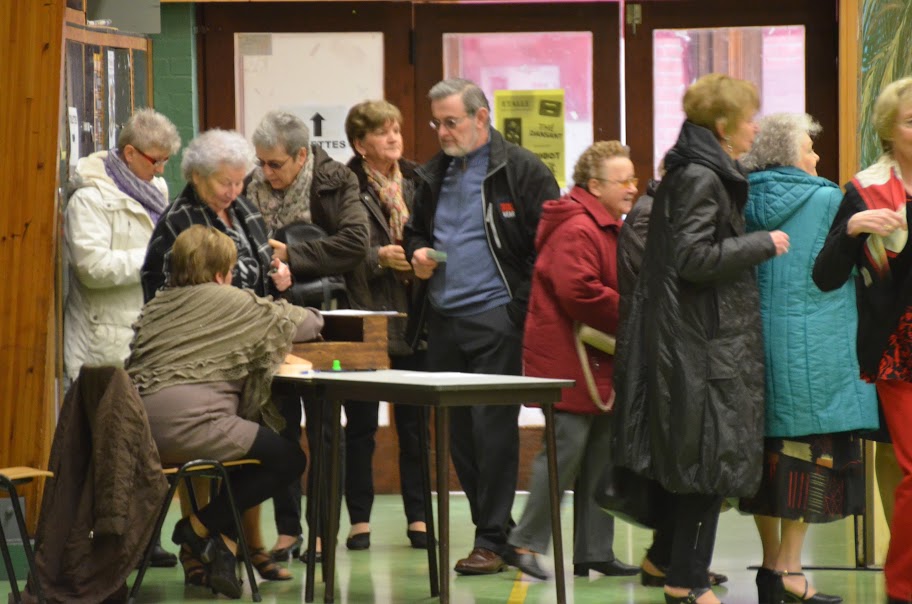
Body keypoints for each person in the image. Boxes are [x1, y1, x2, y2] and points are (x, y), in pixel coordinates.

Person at [613, 73, 788, 604]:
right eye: (748, 118)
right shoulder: (700, 177)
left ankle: (676, 571)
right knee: (703, 467)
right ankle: (685, 583)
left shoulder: (698, 171)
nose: (755, 127)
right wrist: (762, 243)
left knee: (700, 464)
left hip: (698, 340)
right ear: (723, 125)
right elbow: (693, 259)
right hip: (698, 344)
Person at [404, 77, 560, 575]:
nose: (443, 132)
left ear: (481, 117)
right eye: (437, 123)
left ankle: (490, 540)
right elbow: (414, 231)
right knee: (461, 438)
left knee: (492, 431)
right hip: (444, 317)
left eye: (452, 122)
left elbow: (548, 247)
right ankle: (496, 531)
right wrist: (416, 253)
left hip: (496, 317)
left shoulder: (522, 170)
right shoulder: (432, 174)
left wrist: (514, 310)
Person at [128, 225, 322, 599]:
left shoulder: (156, 307)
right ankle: (199, 526)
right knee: (287, 459)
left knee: (245, 449)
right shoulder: (233, 301)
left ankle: (221, 551)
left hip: (142, 433)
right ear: (221, 274)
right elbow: (306, 323)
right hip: (198, 429)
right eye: (231, 270)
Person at [140, 128, 296, 584]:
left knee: (256, 445)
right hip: (201, 360)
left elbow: (262, 263)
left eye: (239, 181)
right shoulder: (180, 220)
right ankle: (200, 554)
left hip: (250, 353)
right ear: (196, 177)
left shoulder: (242, 208)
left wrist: (280, 275)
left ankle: (246, 544)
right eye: (222, 184)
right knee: (207, 458)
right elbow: (165, 295)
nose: (232, 191)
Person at [740, 112, 879, 604]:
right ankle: (790, 569)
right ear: (787, 155)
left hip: (755, 349)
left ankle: (768, 564)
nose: (816, 157)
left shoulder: (741, 195)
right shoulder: (824, 198)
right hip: (815, 348)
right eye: (808, 148)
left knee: (766, 457)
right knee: (810, 456)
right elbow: (838, 268)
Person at [503, 141, 639, 580]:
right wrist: (634, 312)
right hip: (570, 361)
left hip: (591, 360)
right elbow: (578, 291)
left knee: (600, 454)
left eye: (634, 179)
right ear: (595, 185)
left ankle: (594, 549)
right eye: (625, 181)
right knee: (562, 455)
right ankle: (524, 542)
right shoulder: (578, 228)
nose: (634, 188)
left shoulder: (599, 224)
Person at [245, 110, 369, 561]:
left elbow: (356, 243)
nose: (266, 172)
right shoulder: (248, 186)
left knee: (323, 432)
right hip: (267, 322)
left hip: (323, 323)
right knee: (278, 430)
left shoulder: (335, 180)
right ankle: (287, 530)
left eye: (275, 164)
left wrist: (291, 255)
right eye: (261, 163)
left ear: (301, 156)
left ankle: (321, 532)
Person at [64, 107, 181, 569]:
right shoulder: (88, 199)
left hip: (147, 334)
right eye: (155, 160)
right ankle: (108, 546)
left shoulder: (157, 189)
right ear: (129, 152)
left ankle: (147, 538)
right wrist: (154, 258)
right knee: (108, 448)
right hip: (104, 339)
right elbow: (92, 269)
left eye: (166, 161)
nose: (161, 170)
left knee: (146, 446)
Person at [813, 77, 912, 604]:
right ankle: (903, 590)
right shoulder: (866, 189)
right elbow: (825, 277)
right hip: (902, 349)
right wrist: (852, 228)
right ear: (888, 131)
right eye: (911, 120)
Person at [341, 99, 428, 550]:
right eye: (381, 132)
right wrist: (378, 259)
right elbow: (335, 250)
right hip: (366, 317)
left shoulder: (417, 180)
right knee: (359, 426)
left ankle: (419, 518)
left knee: (414, 425)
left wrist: (421, 258)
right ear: (360, 143)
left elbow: (436, 233)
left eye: (396, 129)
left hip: (415, 317)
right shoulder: (341, 184)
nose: (394, 137)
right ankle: (359, 520)